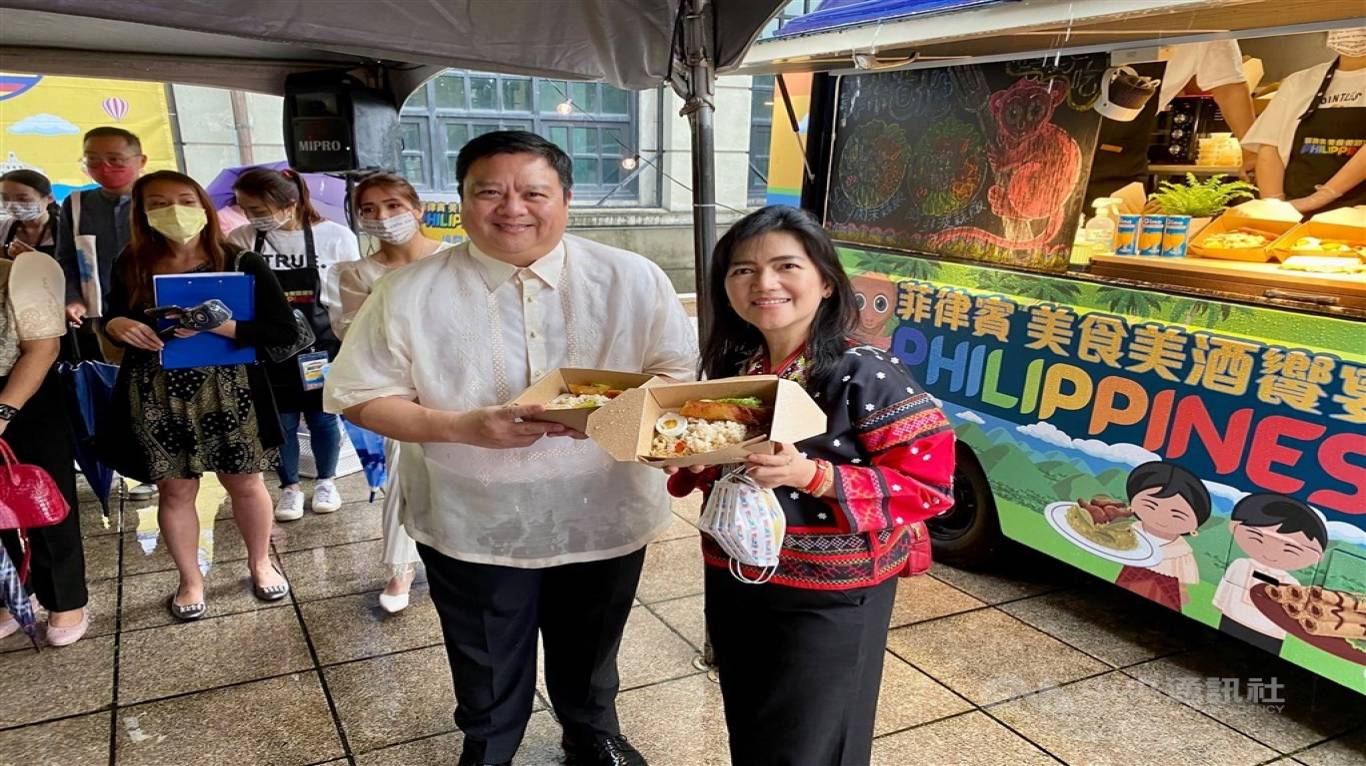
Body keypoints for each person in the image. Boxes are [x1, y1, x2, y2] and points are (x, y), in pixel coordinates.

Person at [324, 131, 696, 766]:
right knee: (486, 650)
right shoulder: (407, 291)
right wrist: (464, 426)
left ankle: (590, 729)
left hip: (603, 503)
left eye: (533, 192)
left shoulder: (631, 277)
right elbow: (358, 396)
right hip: (473, 509)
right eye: (489, 192)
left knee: (593, 638)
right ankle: (490, 743)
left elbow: (678, 376)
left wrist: (621, 412)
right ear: (461, 202)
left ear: (567, 199)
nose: (512, 208)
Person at [666, 205, 955, 766]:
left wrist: (812, 475)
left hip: (829, 597)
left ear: (825, 282)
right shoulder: (742, 362)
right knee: (753, 722)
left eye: (784, 266)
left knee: (811, 741)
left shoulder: (863, 371)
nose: (764, 283)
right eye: (742, 270)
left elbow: (931, 485)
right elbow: (730, 463)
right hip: (738, 570)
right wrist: (692, 456)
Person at [100, 170, 298, 621]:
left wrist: (220, 325)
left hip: (232, 392)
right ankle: (190, 578)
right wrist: (115, 325)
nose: (174, 211)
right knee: (174, 489)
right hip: (158, 391)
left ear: (204, 206)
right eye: (158, 202)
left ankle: (260, 562)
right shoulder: (131, 261)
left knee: (246, 483)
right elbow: (112, 314)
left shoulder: (240, 261)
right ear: (142, 211)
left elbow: (284, 331)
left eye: (186, 200)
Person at [332, 172, 448, 614]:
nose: (383, 217)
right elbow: (358, 337)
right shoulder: (357, 273)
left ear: (417, 208)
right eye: (369, 209)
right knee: (403, 472)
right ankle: (400, 565)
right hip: (398, 391)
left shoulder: (454, 257)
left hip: (459, 385)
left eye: (394, 206)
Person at [227, 168, 360, 521]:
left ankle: (326, 481)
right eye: (245, 209)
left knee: (323, 417)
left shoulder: (336, 236)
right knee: (280, 421)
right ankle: (288, 487)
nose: (252, 217)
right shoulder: (240, 239)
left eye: (258, 209)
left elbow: (346, 298)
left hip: (321, 345)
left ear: (290, 203)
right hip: (267, 347)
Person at [0, 251, 88, 646]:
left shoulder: (25, 270)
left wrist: (2, 415)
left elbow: (43, 349)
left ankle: (64, 598)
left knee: (43, 499)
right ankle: (9, 594)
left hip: (25, 393)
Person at [1245, 27, 1366, 213]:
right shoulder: (1299, 82)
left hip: (1358, 218)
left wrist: (1320, 197)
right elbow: (1270, 146)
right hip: (1296, 212)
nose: (1353, 29)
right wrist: (1275, 207)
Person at [1213, 493, 1327, 655]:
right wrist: (1220, 604)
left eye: (1290, 549)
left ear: (1318, 557)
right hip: (1234, 616)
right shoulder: (1240, 564)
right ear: (1234, 527)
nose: (1272, 553)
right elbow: (1225, 588)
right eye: (1258, 538)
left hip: (1271, 630)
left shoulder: (1291, 581)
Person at [1112, 461, 1212, 612]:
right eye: (1150, 506)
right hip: (1130, 579)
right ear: (1132, 503)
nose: (1162, 517)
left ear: (1194, 526)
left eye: (1177, 514)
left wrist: (1183, 592)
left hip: (1165, 591)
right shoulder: (1132, 530)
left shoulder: (1181, 551)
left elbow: (1182, 578)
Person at [2, 169, 60, 259]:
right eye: (5, 198)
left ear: (49, 198)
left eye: (22, 199)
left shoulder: (67, 230)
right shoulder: (3, 228)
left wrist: (35, 259)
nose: (12, 205)